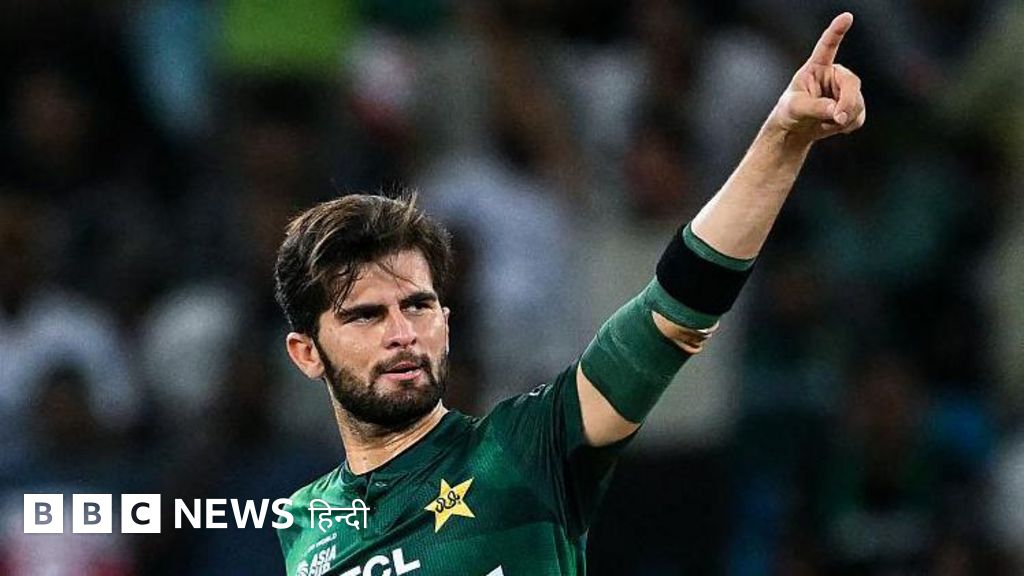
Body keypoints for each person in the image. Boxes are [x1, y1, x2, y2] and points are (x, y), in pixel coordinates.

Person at [273, 12, 866, 575]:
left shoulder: (523, 450)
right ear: (307, 353)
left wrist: (782, 140)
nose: (402, 332)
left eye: (418, 305)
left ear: (446, 321)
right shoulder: (305, 522)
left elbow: (673, 312)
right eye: (366, 315)